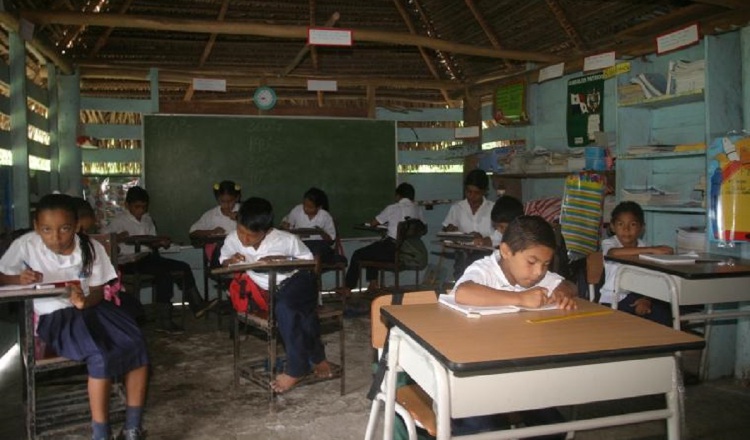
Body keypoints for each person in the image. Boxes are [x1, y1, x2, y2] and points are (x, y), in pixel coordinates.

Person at [0, 194, 148, 440]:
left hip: (93, 309)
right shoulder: (25, 245)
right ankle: (101, 433)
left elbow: (99, 291)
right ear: (37, 227)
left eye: (65, 228)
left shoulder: (91, 247)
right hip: (55, 316)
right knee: (99, 353)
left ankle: (132, 428)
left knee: (137, 345)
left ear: (77, 225)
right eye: (46, 229)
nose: (55, 237)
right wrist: (18, 279)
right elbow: (2, 274)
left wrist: (84, 300)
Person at [449, 215, 576, 438]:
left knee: (555, 429)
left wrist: (563, 292)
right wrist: (519, 298)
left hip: (519, 376)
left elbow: (566, 284)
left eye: (545, 265)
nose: (539, 272)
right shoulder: (485, 269)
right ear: (506, 251)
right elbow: (463, 292)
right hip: (477, 378)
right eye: (532, 262)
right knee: (487, 430)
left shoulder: (536, 277)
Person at [219, 197, 331, 393]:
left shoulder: (285, 239)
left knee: (286, 308)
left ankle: (297, 368)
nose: (244, 239)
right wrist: (230, 260)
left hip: (298, 280)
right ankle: (317, 357)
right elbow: (223, 261)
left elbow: (309, 263)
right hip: (271, 290)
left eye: (251, 236)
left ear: (266, 231)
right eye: (241, 232)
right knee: (302, 314)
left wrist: (284, 259)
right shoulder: (232, 239)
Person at [102, 186, 217, 333]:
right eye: (137, 207)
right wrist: (118, 238)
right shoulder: (119, 221)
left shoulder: (147, 219)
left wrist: (160, 242)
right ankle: (165, 321)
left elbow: (151, 241)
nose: (141, 210)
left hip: (148, 258)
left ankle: (197, 305)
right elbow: (103, 239)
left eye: (144, 207)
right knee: (164, 274)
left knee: (183, 266)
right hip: (129, 263)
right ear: (127, 205)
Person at [599, 201, 674, 326]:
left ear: (641, 227)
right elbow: (613, 253)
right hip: (615, 296)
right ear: (612, 227)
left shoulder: (643, 245)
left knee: (664, 313)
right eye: (620, 224)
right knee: (633, 320)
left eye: (632, 224)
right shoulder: (610, 243)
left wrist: (646, 299)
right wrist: (652, 250)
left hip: (641, 293)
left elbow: (651, 278)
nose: (626, 229)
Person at [341, 182, 424, 295]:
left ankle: (347, 288)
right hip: (407, 252)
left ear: (398, 196)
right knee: (374, 249)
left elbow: (374, 223)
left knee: (358, 254)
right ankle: (373, 284)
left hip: (392, 250)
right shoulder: (417, 209)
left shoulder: (392, 208)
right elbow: (422, 227)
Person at [443, 169, 495, 278]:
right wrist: (451, 231)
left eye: (477, 193)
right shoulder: (457, 208)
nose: (471, 196)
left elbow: (501, 234)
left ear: (484, 191)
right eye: (468, 192)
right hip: (463, 256)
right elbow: (446, 235)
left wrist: (484, 239)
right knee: (462, 277)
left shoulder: (493, 208)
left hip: (488, 257)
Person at [279, 187, 341, 264]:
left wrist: (321, 232)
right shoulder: (297, 210)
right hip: (301, 243)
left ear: (319, 207)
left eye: (310, 207)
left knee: (316, 252)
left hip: (319, 245)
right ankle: (298, 273)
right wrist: (285, 227)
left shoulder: (325, 216)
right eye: (304, 205)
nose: (306, 209)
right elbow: (286, 226)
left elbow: (331, 241)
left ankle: (313, 275)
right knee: (292, 252)